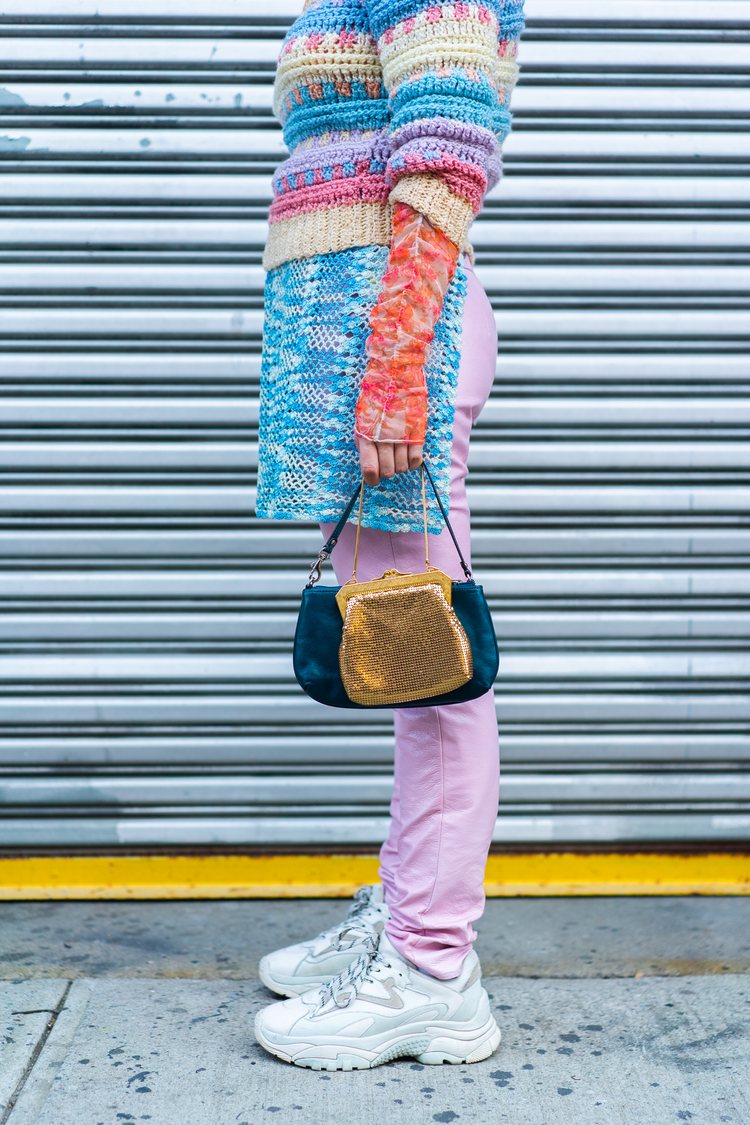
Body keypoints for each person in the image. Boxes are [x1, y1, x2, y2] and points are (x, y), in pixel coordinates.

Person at [253, 0, 525, 1071]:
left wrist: (396, 370)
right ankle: (409, 917)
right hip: (362, 346)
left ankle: (429, 967)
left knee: (432, 663)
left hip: (395, 349)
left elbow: (448, 155)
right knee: (408, 660)